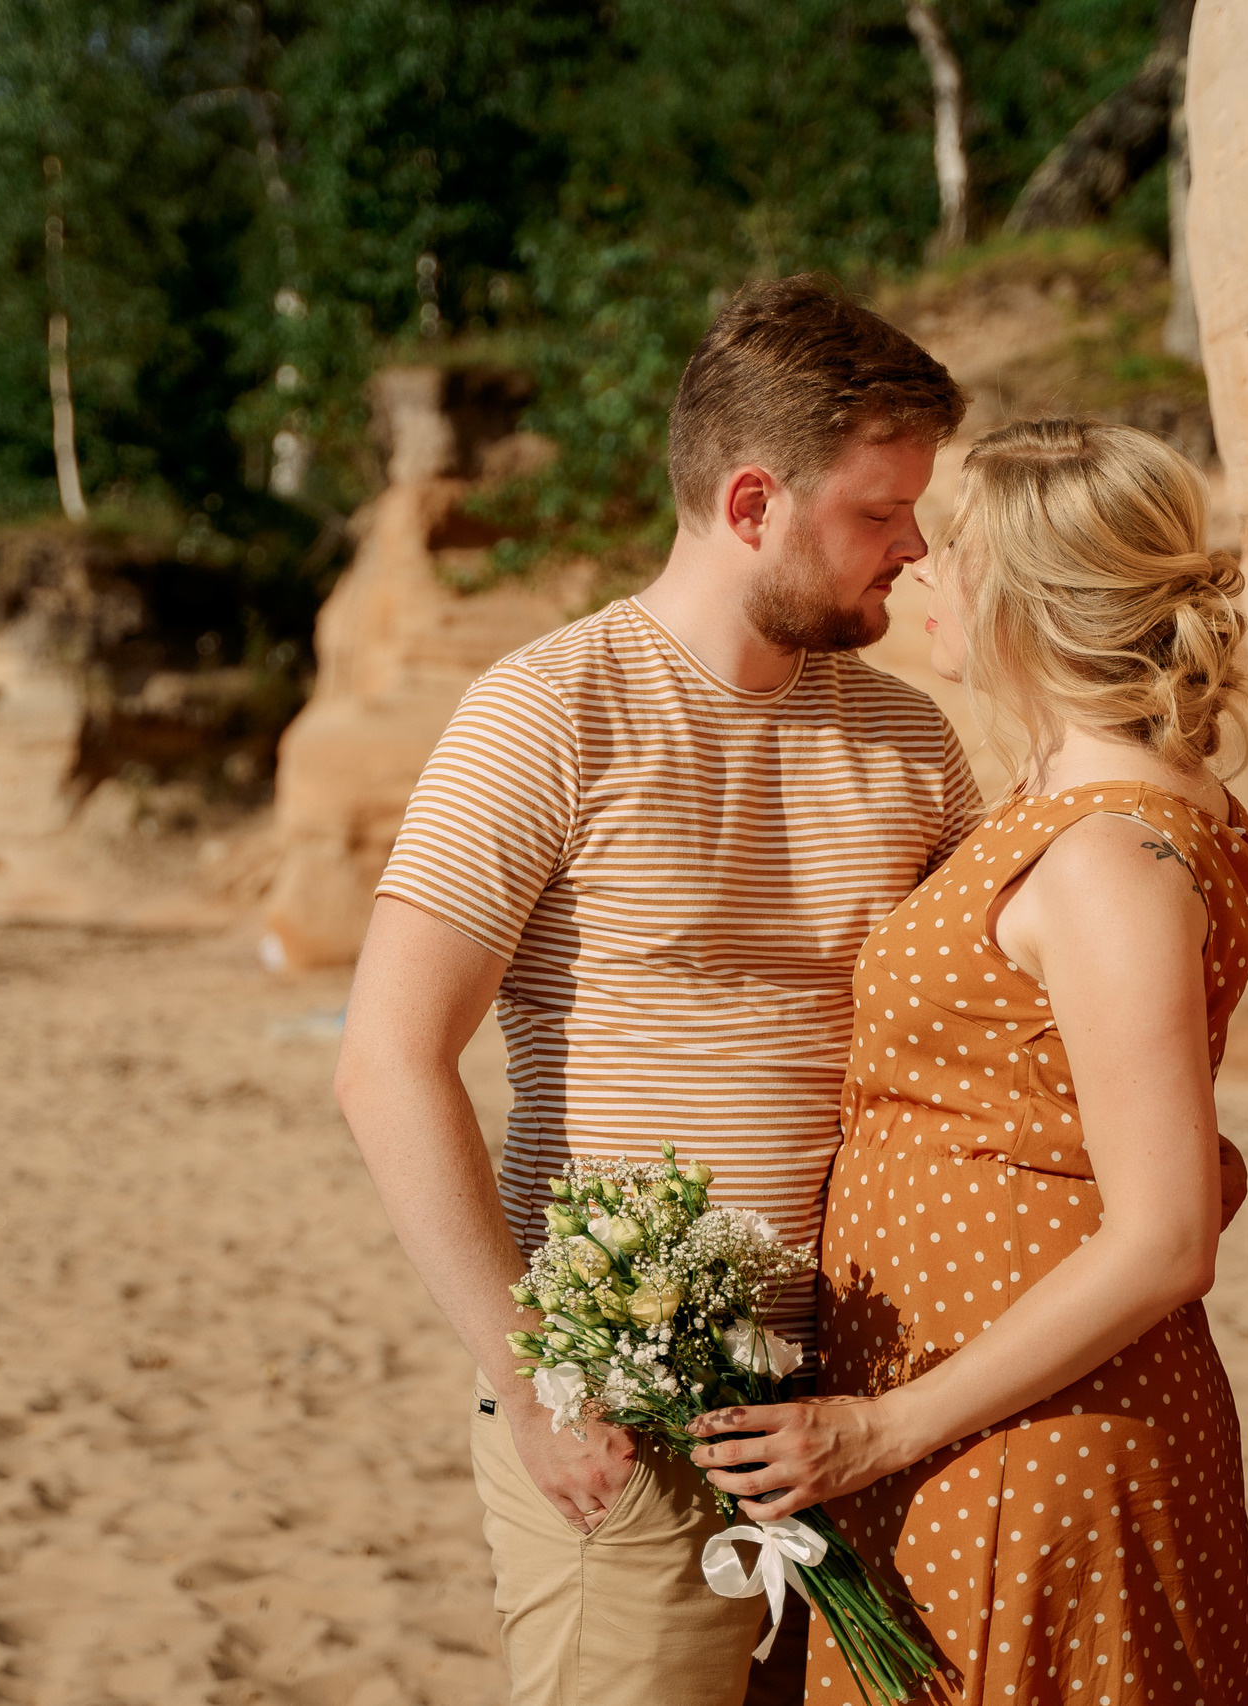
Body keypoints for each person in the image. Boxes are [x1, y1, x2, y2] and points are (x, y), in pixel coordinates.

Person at [335, 274, 979, 1706]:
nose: (914, 545)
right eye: (880, 512)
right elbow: (386, 1063)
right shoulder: (545, 711)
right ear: (753, 505)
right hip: (623, 1423)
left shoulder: (915, 741)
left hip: (867, 1411)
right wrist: (532, 1384)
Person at [686, 418, 1248, 1706]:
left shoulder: (1109, 857)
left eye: (952, 547)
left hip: (1027, 1439)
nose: (919, 567)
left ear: (1028, 596)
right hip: (978, 1418)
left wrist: (876, 1429)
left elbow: (1168, 1237)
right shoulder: (1067, 813)